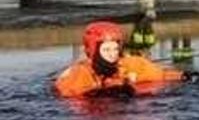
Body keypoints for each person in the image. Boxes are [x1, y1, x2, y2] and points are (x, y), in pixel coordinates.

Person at [55, 21, 184, 98]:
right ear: (93, 50)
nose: (112, 55)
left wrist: (185, 76)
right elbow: (71, 95)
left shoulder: (130, 65)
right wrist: (111, 91)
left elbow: (161, 75)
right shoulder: (81, 73)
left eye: (115, 49)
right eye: (106, 50)